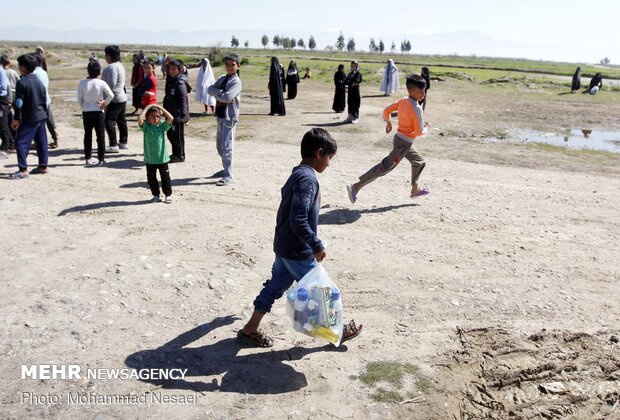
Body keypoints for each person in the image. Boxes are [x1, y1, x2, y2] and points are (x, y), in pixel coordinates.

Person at [238, 127, 362, 347]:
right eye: (329, 158)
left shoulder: (297, 173)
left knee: (275, 286)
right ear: (319, 153)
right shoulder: (308, 180)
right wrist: (315, 244)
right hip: (297, 250)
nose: (328, 164)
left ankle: (251, 327)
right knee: (321, 292)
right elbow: (298, 218)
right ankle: (337, 331)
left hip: (284, 246)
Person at [346, 74, 430, 203]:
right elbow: (419, 132)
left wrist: (388, 122)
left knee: (419, 162)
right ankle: (356, 186)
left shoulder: (403, 100)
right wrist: (426, 128)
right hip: (403, 145)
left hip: (400, 140)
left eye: (424, 91)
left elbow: (386, 110)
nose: (423, 94)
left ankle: (415, 189)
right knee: (385, 167)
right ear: (410, 91)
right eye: (420, 91)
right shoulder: (417, 108)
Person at [10, 54, 48, 179]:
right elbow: (44, 99)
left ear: (23, 67)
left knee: (20, 142)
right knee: (41, 141)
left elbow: (19, 103)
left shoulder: (21, 82)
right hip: (41, 115)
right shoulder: (38, 81)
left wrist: (16, 119)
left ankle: (23, 169)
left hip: (29, 117)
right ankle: (43, 166)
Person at [207, 53, 242, 186]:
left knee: (227, 147)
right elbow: (209, 90)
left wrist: (219, 94)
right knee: (220, 146)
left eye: (232, 65)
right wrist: (221, 93)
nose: (229, 67)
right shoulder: (222, 78)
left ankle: (228, 175)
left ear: (238, 66)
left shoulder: (236, 82)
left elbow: (228, 98)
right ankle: (225, 169)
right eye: (227, 64)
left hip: (229, 117)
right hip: (220, 115)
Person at [77, 60, 113, 165]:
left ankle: (88, 158)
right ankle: (101, 159)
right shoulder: (101, 83)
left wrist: (83, 107)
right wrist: (104, 103)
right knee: (100, 136)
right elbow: (111, 95)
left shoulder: (82, 83)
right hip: (98, 111)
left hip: (87, 111)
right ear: (99, 72)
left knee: (88, 135)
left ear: (88, 71)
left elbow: (79, 99)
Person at [138, 104, 174, 204]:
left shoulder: (162, 126)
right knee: (152, 179)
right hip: (150, 159)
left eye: (158, 116)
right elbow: (139, 119)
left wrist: (161, 108)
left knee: (165, 178)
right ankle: (156, 195)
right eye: (152, 116)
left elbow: (171, 118)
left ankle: (168, 195)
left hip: (162, 159)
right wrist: (147, 108)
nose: (156, 119)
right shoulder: (146, 127)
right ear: (148, 118)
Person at [101, 45, 128, 153]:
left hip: (114, 98)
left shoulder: (111, 67)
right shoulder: (120, 65)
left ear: (109, 56)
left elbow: (111, 83)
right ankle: (123, 142)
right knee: (121, 121)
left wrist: (106, 96)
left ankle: (113, 144)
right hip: (122, 97)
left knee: (109, 121)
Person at [163, 59, 189, 162]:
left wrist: (183, 115)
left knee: (178, 136)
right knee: (170, 134)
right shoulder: (170, 80)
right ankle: (175, 153)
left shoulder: (180, 82)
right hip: (169, 112)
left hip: (178, 114)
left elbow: (183, 99)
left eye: (174, 69)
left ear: (180, 70)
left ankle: (180, 155)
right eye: (170, 69)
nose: (172, 71)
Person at [32, 54, 59, 149]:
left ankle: (37, 142)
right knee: (50, 121)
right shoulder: (44, 72)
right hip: (46, 100)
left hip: (38, 101)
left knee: (38, 122)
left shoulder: (34, 73)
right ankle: (55, 139)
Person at [0, 56, 13, 158]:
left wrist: (9, 101)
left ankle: (6, 147)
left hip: (1, 99)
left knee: (2, 123)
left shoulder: (1, 70)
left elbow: (4, 87)